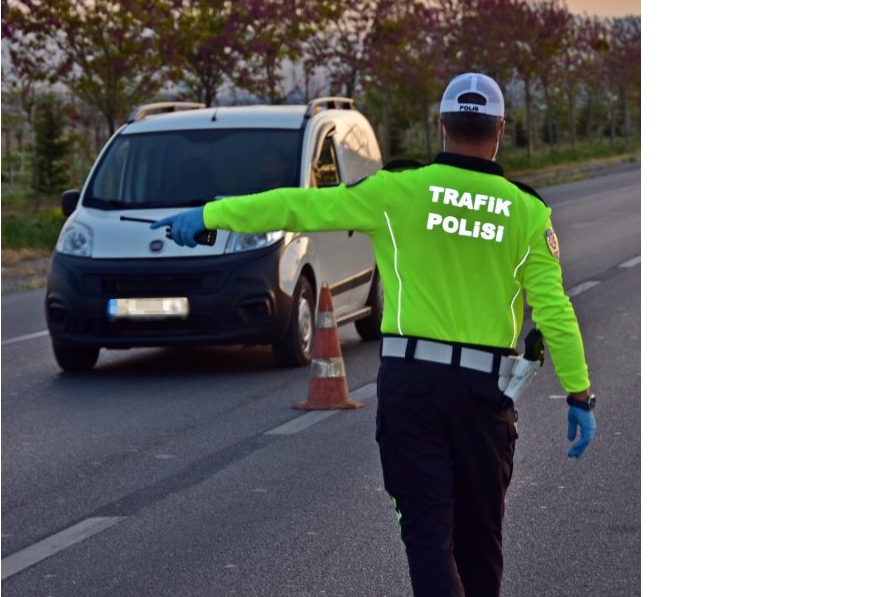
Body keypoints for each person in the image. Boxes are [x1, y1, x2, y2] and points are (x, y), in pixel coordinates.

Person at [154, 72, 596, 597]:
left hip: (412, 389)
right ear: (500, 129)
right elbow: (554, 312)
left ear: (441, 128)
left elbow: (298, 206)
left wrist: (212, 214)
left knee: (429, 536)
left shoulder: (397, 191)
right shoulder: (526, 211)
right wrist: (578, 393)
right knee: (481, 542)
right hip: (483, 399)